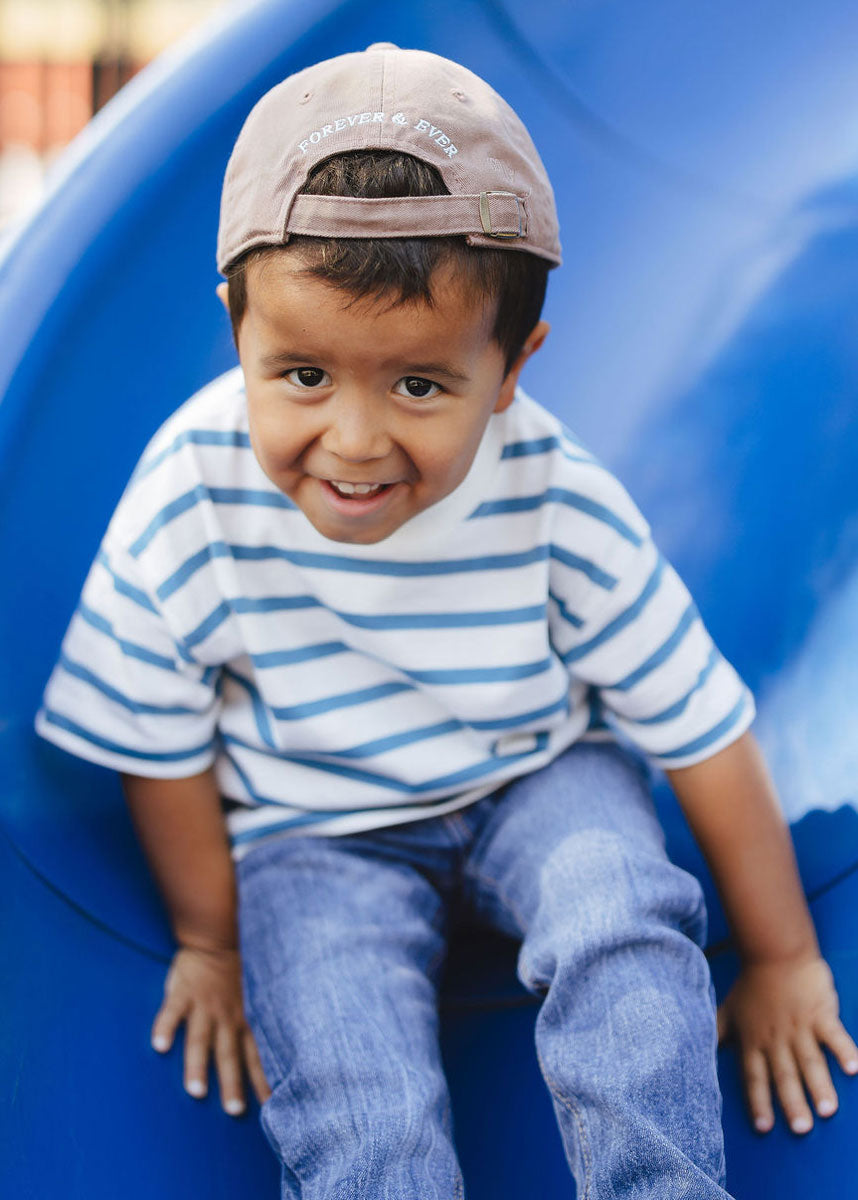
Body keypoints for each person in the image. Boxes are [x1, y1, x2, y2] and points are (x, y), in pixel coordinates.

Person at [36, 43, 857, 1199]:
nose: (357, 440)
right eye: (304, 375)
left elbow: (699, 729)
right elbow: (158, 741)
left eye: (419, 384)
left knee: (620, 910)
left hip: (536, 775)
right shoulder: (190, 489)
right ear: (237, 324)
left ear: (513, 365)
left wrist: (785, 957)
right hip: (313, 827)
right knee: (342, 1061)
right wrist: (212, 941)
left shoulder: (557, 497)